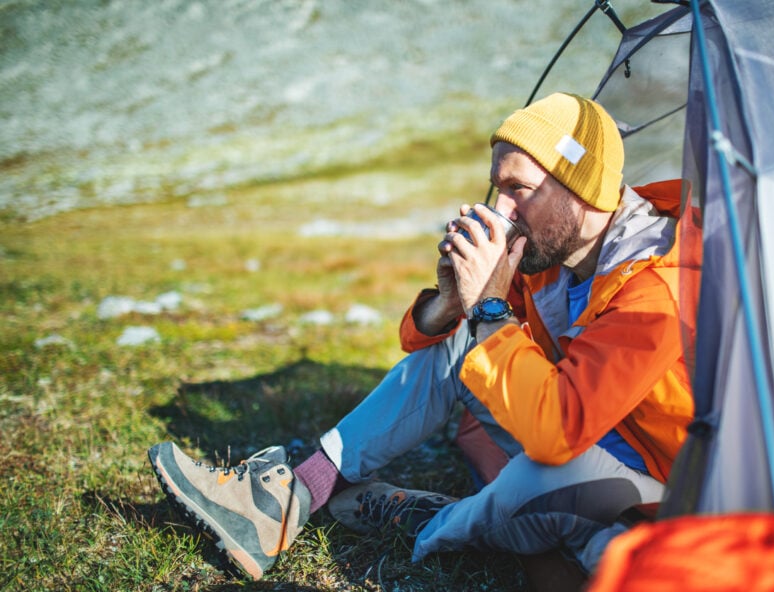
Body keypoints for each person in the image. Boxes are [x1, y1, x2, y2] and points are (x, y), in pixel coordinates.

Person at [148, 92, 697, 581]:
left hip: (660, 486)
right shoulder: (553, 259)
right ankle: (286, 499)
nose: (500, 210)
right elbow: (436, 348)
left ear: (579, 189)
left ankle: (431, 518)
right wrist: (450, 306)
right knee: (465, 354)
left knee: (539, 483)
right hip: (580, 445)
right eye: (496, 187)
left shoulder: (657, 286)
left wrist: (490, 307)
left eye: (518, 190)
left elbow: (561, 431)